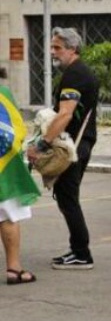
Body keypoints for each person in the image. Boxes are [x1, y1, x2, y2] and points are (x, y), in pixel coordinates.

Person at [27, 27, 99, 270]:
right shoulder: (77, 72)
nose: (52, 52)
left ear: (72, 49)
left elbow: (65, 114)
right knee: (68, 199)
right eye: (52, 47)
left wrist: (40, 144)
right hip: (81, 143)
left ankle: (82, 253)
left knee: (68, 199)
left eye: (57, 47)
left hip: (74, 146)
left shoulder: (75, 75)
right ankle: (77, 250)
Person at [0, 69, 41, 284]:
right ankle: (14, 269)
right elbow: (14, 131)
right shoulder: (3, 94)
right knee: (9, 215)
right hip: (4, 169)